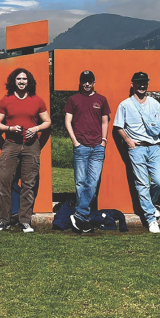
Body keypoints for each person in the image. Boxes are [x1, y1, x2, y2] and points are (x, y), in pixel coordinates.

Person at [0, 68, 51, 233]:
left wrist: (36, 128)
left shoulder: (37, 100)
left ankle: (25, 221)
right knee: (4, 182)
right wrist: (9, 128)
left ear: (29, 81)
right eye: (19, 79)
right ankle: (3, 220)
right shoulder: (6, 100)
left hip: (31, 146)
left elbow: (48, 122)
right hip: (10, 144)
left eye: (24, 79)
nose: (22, 81)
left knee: (28, 184)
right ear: (13, 81)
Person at [113, 71, 160, 233]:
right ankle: (151, 219)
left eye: (145, 82)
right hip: (137, 149)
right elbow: (118, 126)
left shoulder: (154, 104)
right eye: (139, 82)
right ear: (133, 84)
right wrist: (129, 141)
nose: (142, 85)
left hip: (154, 147)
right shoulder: (125, 104)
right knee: (142, 183)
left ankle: (149, 205)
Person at [64, 70, 111, 233]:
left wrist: (104, 141)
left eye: (89, 81)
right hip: (81, 146)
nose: (87, 84)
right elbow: (67, 121)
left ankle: (80, 214)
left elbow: (105, 122)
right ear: (80, 82)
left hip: (98, 147)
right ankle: (82, 216)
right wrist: (75, 142)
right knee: (80, 182)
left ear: (94, 82)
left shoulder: (101, 100)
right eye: (84, 81)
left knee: (92, 182)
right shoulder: (73, 100)